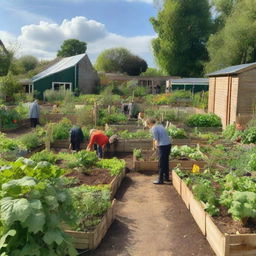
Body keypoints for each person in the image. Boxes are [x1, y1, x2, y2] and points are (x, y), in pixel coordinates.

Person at [146, 118, 172, 184]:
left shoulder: (154, 128)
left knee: (161, 163)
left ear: (150, 123)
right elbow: (157, 138)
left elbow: (156, 140)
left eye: (148, 125)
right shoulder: (160, 126)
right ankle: (166, 178)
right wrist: (155, 146)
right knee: (165, 162)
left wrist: (155, 147)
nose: (148, 127)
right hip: (168, 145)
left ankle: (160, 180)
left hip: (163, 146)